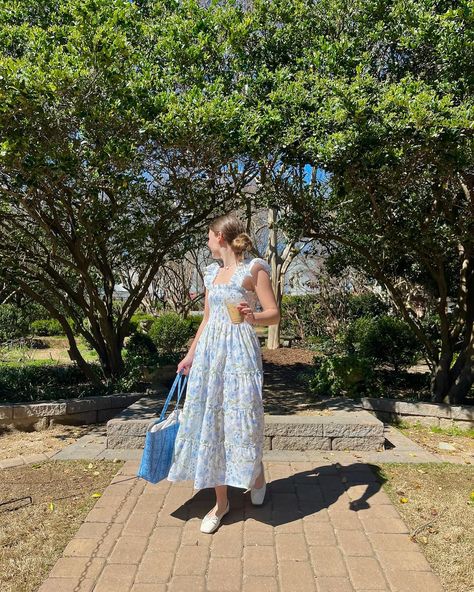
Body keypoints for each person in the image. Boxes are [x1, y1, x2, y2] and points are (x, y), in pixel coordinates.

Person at [166, 212, 280, 533]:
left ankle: (255, 475)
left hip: (240, 353)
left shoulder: (253, 269)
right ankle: (222, 503)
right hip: (209, 355)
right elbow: (206, 319)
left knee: (242, 421)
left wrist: (253, 316)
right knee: (212, 424)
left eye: (208, 236)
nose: (206, 241)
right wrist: (190, 355)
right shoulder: (211, 274)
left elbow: (273, 314)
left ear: (220, 237)